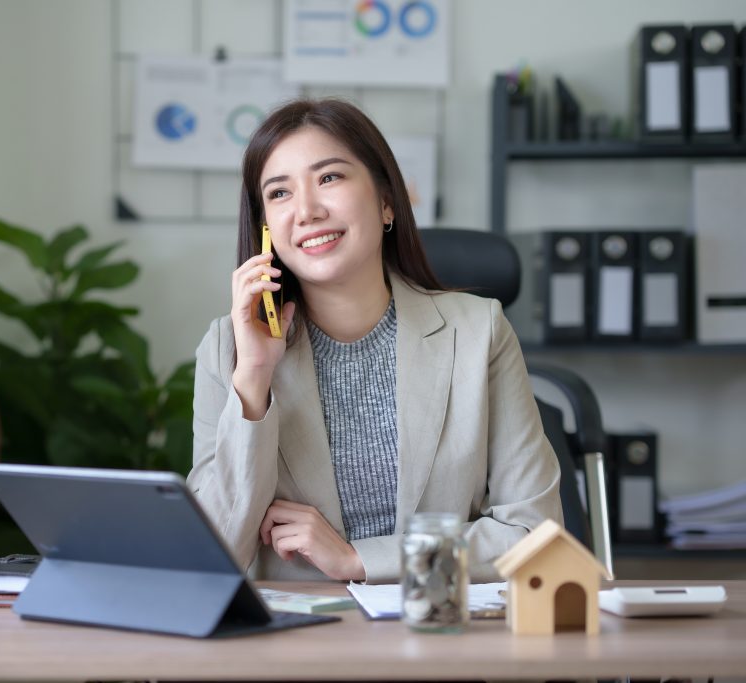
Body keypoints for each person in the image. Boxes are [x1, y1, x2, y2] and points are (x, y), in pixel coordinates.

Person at [187, 99, 561, 584]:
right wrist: (254, 379)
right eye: (279, 193)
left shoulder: (479, 332)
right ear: (266, 232)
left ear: (386, 201)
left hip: (440, 635)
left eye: (329, 178)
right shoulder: (227, 349)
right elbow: (211, 562)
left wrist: (360, 560)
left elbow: (536, 536)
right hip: (296, 646)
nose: (307, 210)